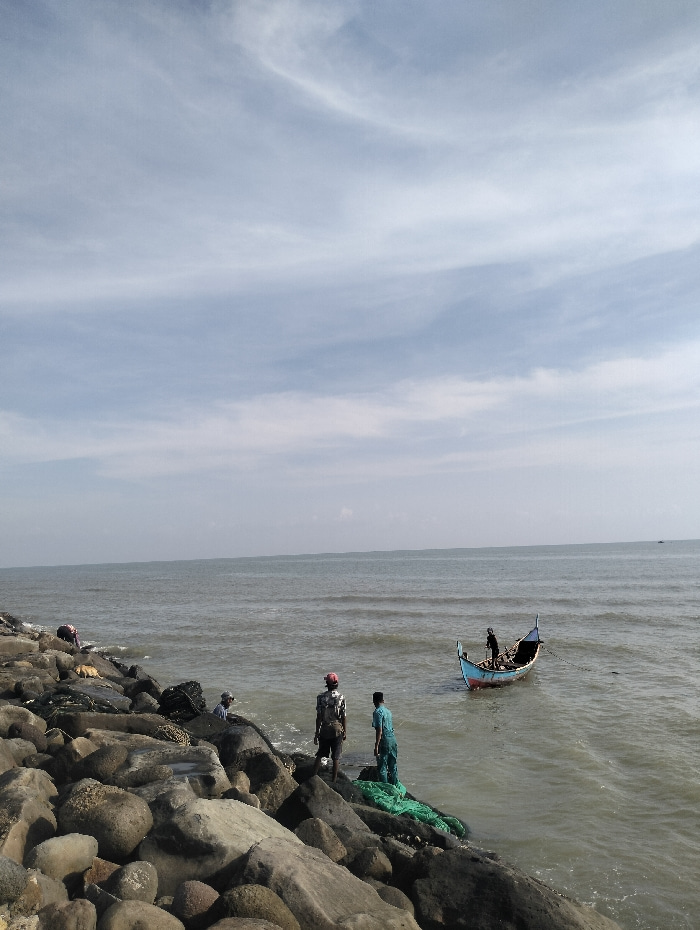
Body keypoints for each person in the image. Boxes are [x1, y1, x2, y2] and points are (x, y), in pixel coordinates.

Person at [312, 672, 347, 782]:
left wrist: (317, 733)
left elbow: (319, 717)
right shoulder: (341, 697)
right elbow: (343, 716)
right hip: (337, 729)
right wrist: (345, 731)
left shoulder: (321, 697)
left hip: (325, 729)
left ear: (327, 683)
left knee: (320, 754)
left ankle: (313, 776)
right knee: (336, 756)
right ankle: (334, 780)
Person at [372, 691, 399, 786]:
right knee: (393, 765)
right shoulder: (388, 711)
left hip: (384, 741)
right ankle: (395, 785)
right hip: (393, 739)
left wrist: (376, 746)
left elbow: (379, 730)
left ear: (374, 701)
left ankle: (386, 787)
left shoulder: (377, 712)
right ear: (383, 700)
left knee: (382, 766)